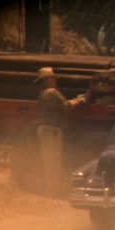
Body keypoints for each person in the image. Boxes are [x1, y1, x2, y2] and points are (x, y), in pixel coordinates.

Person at [34, 67, 89, 197]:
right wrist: (80, 99)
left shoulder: (43, 94)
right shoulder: (52, 92)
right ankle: (53, 191)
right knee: (53, 161)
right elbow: (66, 106)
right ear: (48, 80)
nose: (54, 81)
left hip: (46, 130)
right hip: (52, 131)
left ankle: (51, 190)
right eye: (52, 78)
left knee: (49, 161)